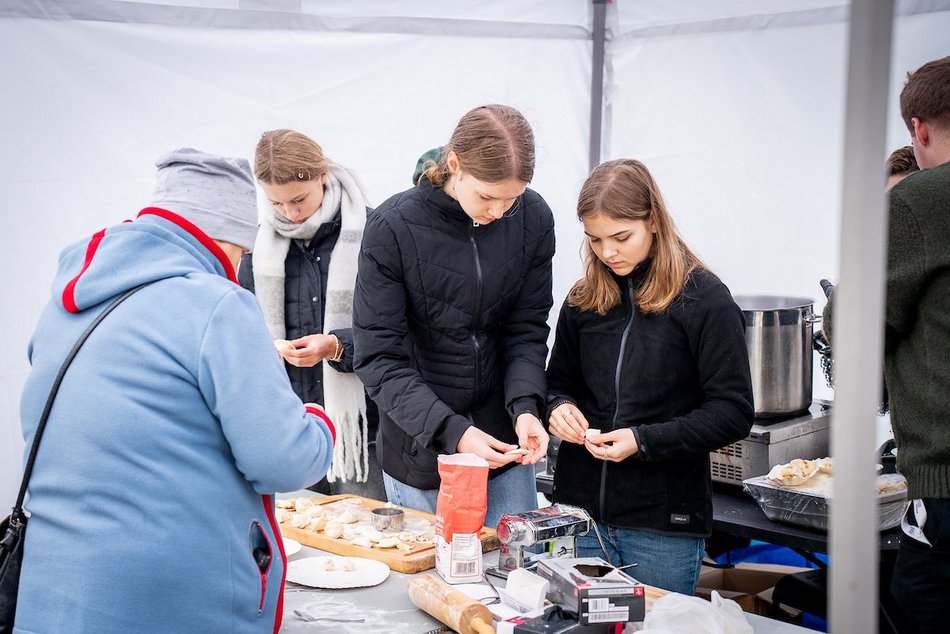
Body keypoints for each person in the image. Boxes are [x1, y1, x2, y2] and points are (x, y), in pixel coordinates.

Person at [15, 148, 337, 633]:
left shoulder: (64, 305)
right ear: (222, 238)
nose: (239, 263)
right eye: (242, 249)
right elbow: (283, 461)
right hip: (167, 601)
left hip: (52, 590)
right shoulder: (217, 304)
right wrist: (318, 420)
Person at [545, 158, 754, 595]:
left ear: (654, 221)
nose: (608, 252)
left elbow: (732, 412)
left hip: (662, 527)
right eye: (595, 239)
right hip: (578, 518)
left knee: (657, 625)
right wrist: (558, 407)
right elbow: (557, 382)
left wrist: (642, 441)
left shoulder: (706, 300)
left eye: (621, 237)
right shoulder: (583, 300)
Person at [352, 104, 555, 528]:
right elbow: (379, 359)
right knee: (432, 567)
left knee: (511, 566)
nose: (498, 211)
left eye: (511, 199)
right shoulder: (392, 227)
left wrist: (525, 408)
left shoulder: (533, 218)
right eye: (487, 196)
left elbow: (525, 330)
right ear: (454, 164)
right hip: (421, 449)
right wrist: (455, 432)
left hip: (505, 447)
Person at [823, 56, 950, 634]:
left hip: (944, 489)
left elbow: (853, 325)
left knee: (913, 600)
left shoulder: (921, 197)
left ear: (918, 129)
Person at [239, 129, 385, 501]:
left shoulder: (375, 231)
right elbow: (243, 331)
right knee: (299, 534)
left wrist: (337, 346)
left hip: (363, 431)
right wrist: (267, 347)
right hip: (292, 429)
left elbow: (395, 327)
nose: (290, 212)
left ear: (322, 175)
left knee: (364, 530)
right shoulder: (256, 247)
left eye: (298, 199)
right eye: (276, 203)